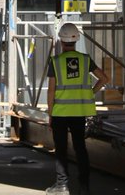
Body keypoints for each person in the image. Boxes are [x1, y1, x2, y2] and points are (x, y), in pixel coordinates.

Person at [47, 22, 108, 195]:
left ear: (61, 40)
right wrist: (90, 93)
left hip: (60, 113)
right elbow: (104, 78)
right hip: (79, 113)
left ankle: (62, 186)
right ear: (76, 40)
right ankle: (84, 187)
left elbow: (51, 91)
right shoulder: (85, 60)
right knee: (80, 148)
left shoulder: (56, 62)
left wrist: (50, 114)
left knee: (61, 149)